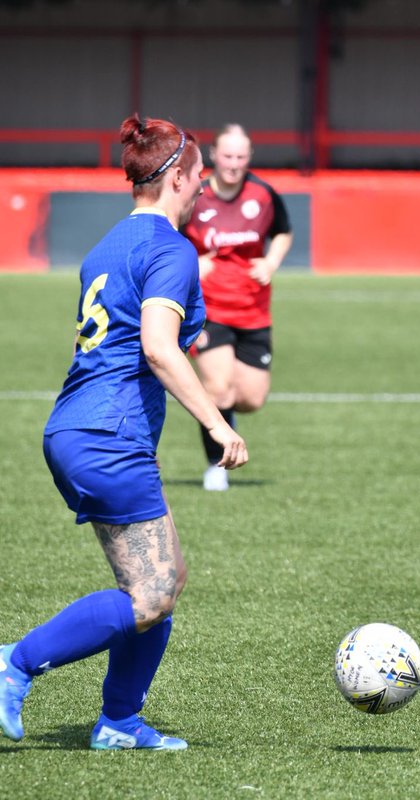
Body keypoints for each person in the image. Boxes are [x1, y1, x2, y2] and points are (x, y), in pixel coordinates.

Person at [0, 115, 248, 750]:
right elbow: (159, 348)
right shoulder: (170, 248)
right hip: (109, 435)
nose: (203, 186)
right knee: (153, 593)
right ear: (177, 177)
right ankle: (14, 663)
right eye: (198, 175)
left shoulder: (106, 246)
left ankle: (119, 723)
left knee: (164, 581)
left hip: (78, 428)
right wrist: (217, 423)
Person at [182, 123, 292, 491]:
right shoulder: (195, 195)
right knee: (219, 389)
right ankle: (217, 464)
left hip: (253, 309)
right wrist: (192, 262)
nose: (233, 163)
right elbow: (167, 237)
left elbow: (283, 231)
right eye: (227, 155)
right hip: (208, 309)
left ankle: (221, 410)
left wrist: (271, 262)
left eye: (241, 156)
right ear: (214, 155)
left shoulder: (263, 194)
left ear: (249, 158)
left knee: (250, 398)